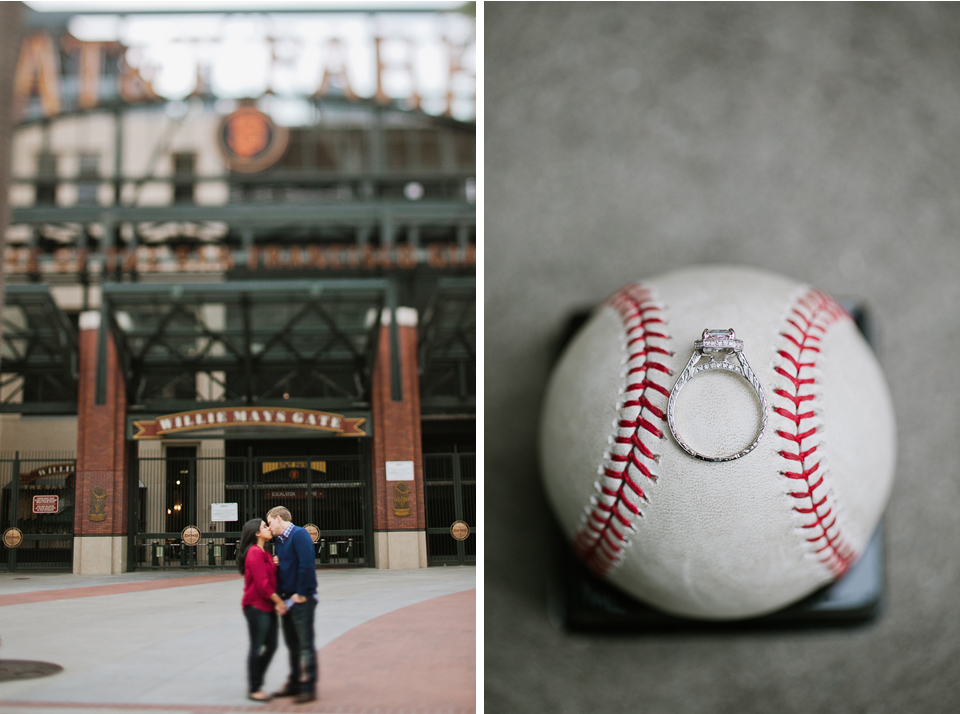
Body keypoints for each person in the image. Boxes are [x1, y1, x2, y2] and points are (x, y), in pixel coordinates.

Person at [266, 505, 318, 704]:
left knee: (305, 644)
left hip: (301, 599)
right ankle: (294, 682)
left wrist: (301, 593)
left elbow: (307, 565)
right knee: (292, 645)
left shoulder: (299, 535)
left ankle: (309, 686)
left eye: (269, 522)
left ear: (279, 519)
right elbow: (285, 566)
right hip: (287, 599)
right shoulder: (280, 540)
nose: (269, 527)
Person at [237, 517, 287, 702]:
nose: (268, 528)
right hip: (256, 605)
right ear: (256, 533)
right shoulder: (254, 553)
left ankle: (257, 680)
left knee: (272, 645)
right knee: (257, 646)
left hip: (268, 606)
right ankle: (254, 687)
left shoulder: (266, 553)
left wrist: (276, 563)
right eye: (264, 526)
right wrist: (279, 602)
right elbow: (262, 585)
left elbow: (271, 577)